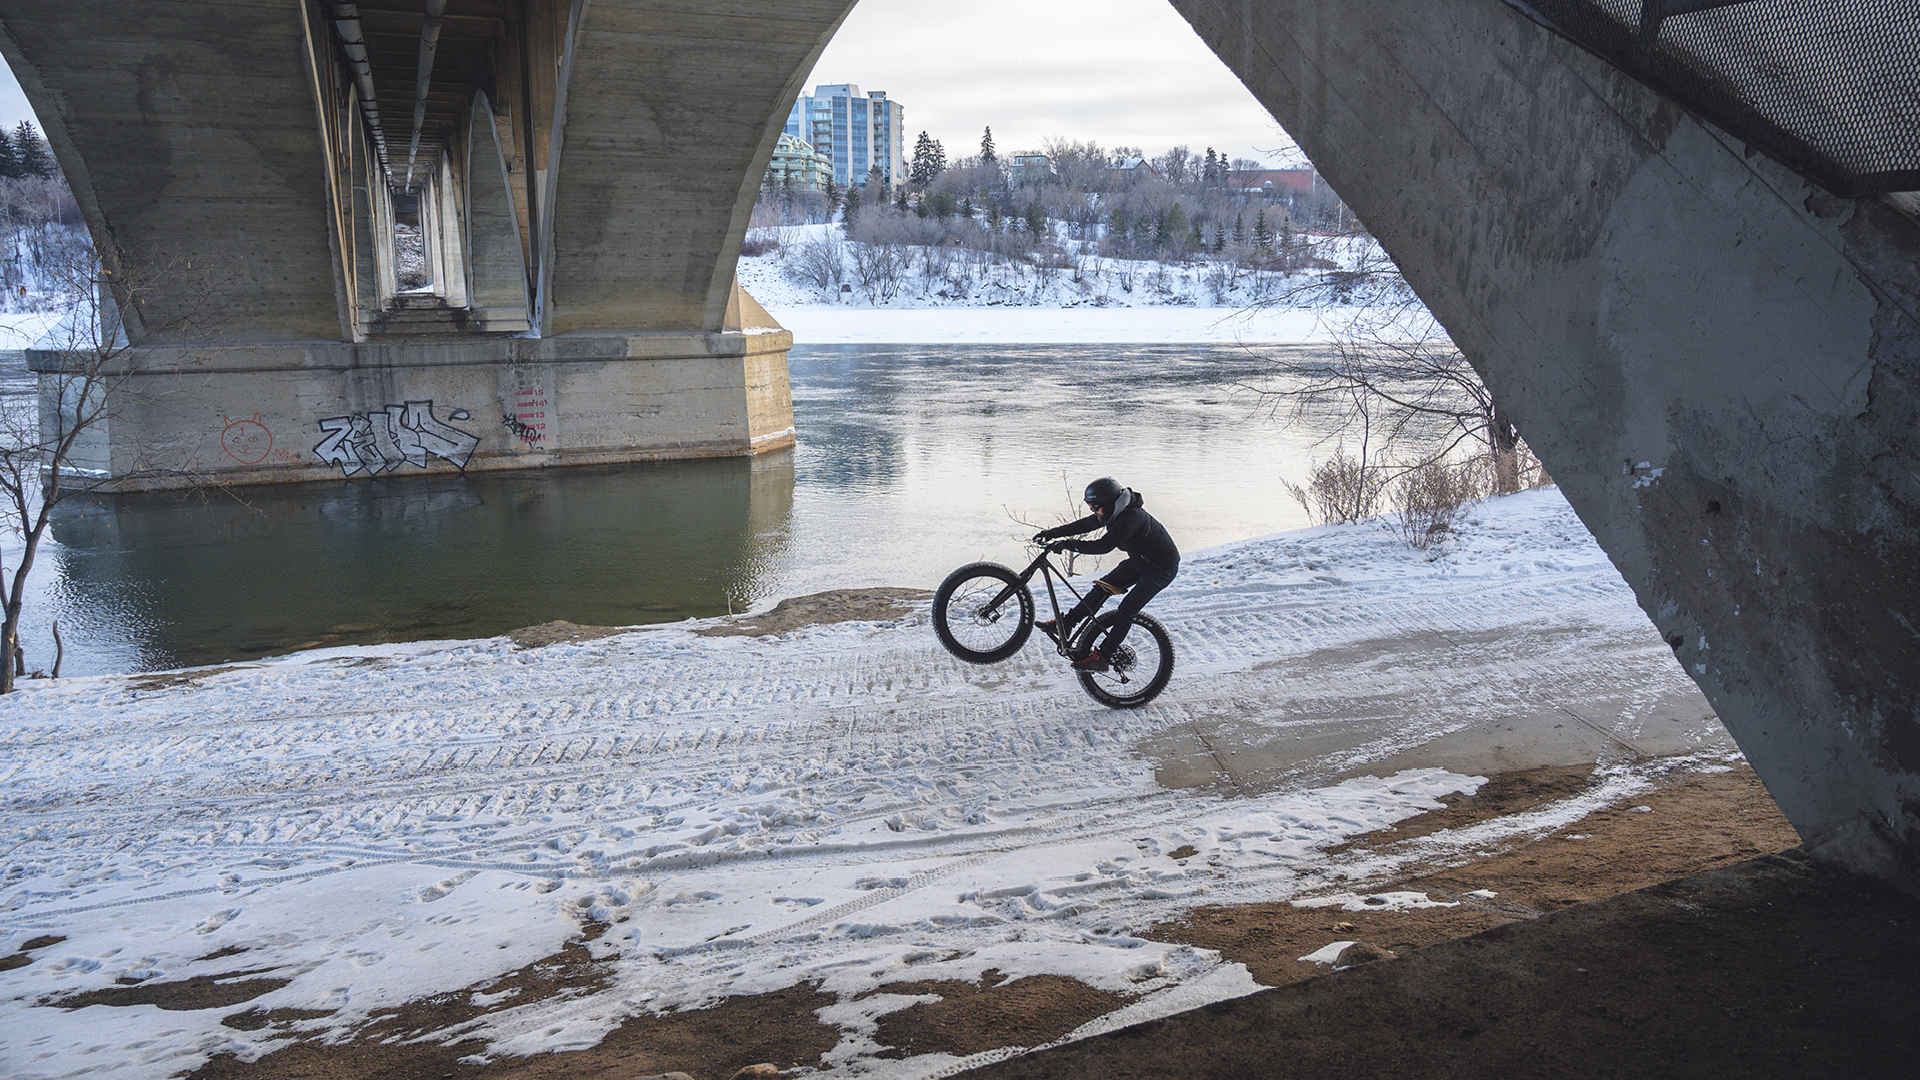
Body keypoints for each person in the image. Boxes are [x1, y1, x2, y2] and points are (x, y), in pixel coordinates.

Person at [1032, 477, 1180, 672]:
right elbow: (1085, 525)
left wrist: (1067, 544)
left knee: (1126, 610)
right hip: (1140, 561)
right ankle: (1068, 623)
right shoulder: (1114, 512)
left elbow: (1104, 546)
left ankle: (1103, 657)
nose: (1093, 511)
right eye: (1090, 507)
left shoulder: (1131, 518)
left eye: (1095, 507)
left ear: (1109, 504)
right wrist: (1052, 533)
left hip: (1161, 569)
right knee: (1101, 587)